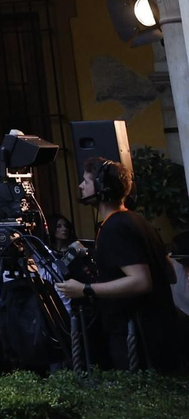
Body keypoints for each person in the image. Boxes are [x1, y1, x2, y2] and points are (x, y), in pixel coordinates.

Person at [57, 157, 180, 371]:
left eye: (86, 181)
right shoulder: (139, 221)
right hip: (160, 334)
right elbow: (170, 274)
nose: (80, 186)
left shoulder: (114, 228)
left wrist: (84, 289)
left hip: (136, 340)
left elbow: (141, 282)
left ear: (102, 188)